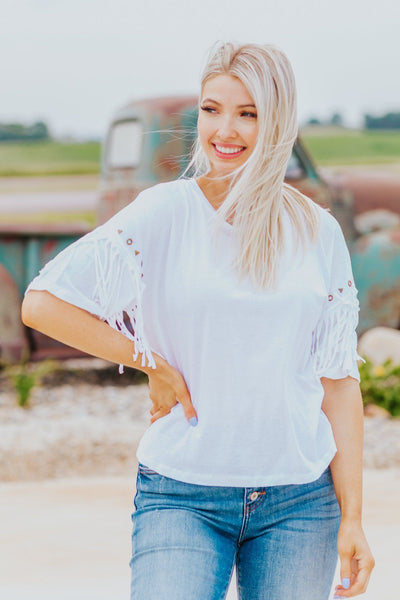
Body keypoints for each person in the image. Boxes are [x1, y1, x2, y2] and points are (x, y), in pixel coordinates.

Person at [21, 40, 375, 600]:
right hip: (182, 493)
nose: (224, 130)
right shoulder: (165, 211)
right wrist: (149, 361)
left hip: (300, 500)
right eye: (211, 109)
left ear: (277, 121)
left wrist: (353, 516)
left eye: (247, 113)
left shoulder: (317, 230)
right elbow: (43, 302)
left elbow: (338, 381)